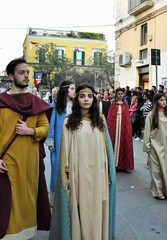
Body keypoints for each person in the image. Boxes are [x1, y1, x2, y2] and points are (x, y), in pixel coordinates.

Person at [49, 84, 116, 240]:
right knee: (81, 207)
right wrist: (66, 177)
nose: (86, 99)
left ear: (94, 99)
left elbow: (107, 151)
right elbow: (65, 152)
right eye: (82, 96)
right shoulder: (69, 122)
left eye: (89, 96)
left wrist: (108, 173)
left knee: (98, 206)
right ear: (77, 98)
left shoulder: (100, 121)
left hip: (99, 174)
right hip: (78, 173)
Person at [0, 58, 53, 239]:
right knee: (8, 203)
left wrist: (30, 130)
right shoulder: (1, 103)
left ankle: (27, 234)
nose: (26, 75)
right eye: (21, 72)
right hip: (7, 164)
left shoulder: (36, 103)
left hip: (30, 165)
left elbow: (45, 127)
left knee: (28, 201)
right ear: (11, 76)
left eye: (27, 72)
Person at [45, 80, 76, 205]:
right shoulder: (55, 105)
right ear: (66, 90)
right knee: (57, 168)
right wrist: (51, 142)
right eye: (73, 88)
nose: (75, 91)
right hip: (60, 142)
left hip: (74, 142)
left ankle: (70, 198)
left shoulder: (76, 106)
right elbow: (51, 124)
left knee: (73, 168)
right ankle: (54, 199)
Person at [143, 93, 167, 200]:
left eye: (165, 100)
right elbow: (147, 132)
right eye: (161, 100)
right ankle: (157, 192)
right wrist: (147, 147)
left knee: (165, 170)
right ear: (156, 102)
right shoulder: (151, 116)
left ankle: (163, 190)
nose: (164, 102)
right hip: (155, 146)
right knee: (156, 170)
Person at [107, 87, 134, 172]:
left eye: (121, 94)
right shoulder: (113, 104)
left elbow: (127, 119)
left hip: (123, 129)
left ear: (123, 95)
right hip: (114, 128)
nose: (120, 95)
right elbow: (110, 118)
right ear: (116, 95)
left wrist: (127, 129)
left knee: (124, 143)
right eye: (118, 94)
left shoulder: (125, 105)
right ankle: (113, 165)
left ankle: (123, 165)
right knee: (113, 143)